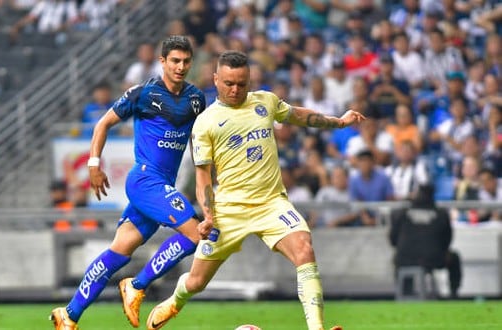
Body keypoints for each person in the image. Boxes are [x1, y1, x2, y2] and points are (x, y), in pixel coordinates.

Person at [145, 50, 365, 330]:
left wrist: (338, 121)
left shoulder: (265, 101)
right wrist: (209, 215)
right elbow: (203, 178)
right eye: (228, 83)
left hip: (272, 204)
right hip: (229, 210)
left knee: (304, 249)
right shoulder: (205, 123)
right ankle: (175, 301)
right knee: (197, 282)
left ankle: (317, 328)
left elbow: (298, 115)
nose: (236, 89)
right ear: (215, 79)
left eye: (242, 83)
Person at [49, 35, 206, 330]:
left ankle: (68, 315)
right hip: (145, 180)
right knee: (195, 234)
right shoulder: (142, 94)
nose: (181, 66)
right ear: (162, 62)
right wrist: (94, 164)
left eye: (186, 61)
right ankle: (137, 284)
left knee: (118, 252)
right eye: (175, 60)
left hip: (162, 186)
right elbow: (103, 123)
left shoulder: (197, 99)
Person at [389, 184, 462, 298]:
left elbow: (393, 240)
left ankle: (406, 293)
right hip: (435, 259)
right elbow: (447, 240)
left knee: (398, 258)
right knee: (454, 257)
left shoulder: (401, 213)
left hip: (405, 259)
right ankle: (453, 293)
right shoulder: (441, 214)